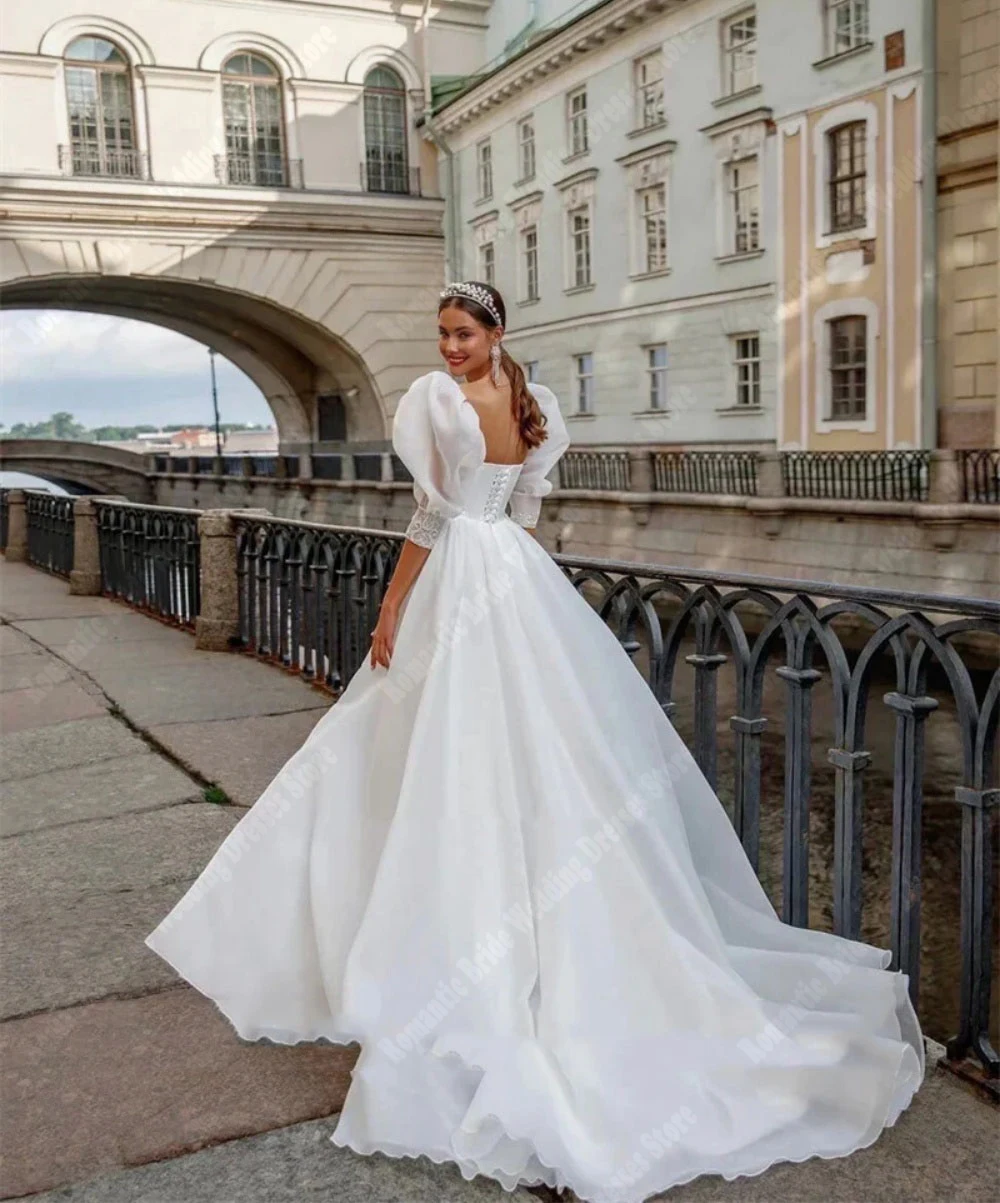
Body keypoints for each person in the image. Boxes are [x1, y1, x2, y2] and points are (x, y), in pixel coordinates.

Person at [145, 281, 924, 1203]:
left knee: (452, 747)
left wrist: (393, 607)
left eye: (463, 333)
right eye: (442, 335)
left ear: (495, 331)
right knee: (513, 748)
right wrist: (511, 585)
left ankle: (471, 945)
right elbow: (523, 514)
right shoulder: (529, 400)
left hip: (476, 575)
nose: (448, 349)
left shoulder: (454, 403)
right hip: (517, 574)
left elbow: (434, 518)